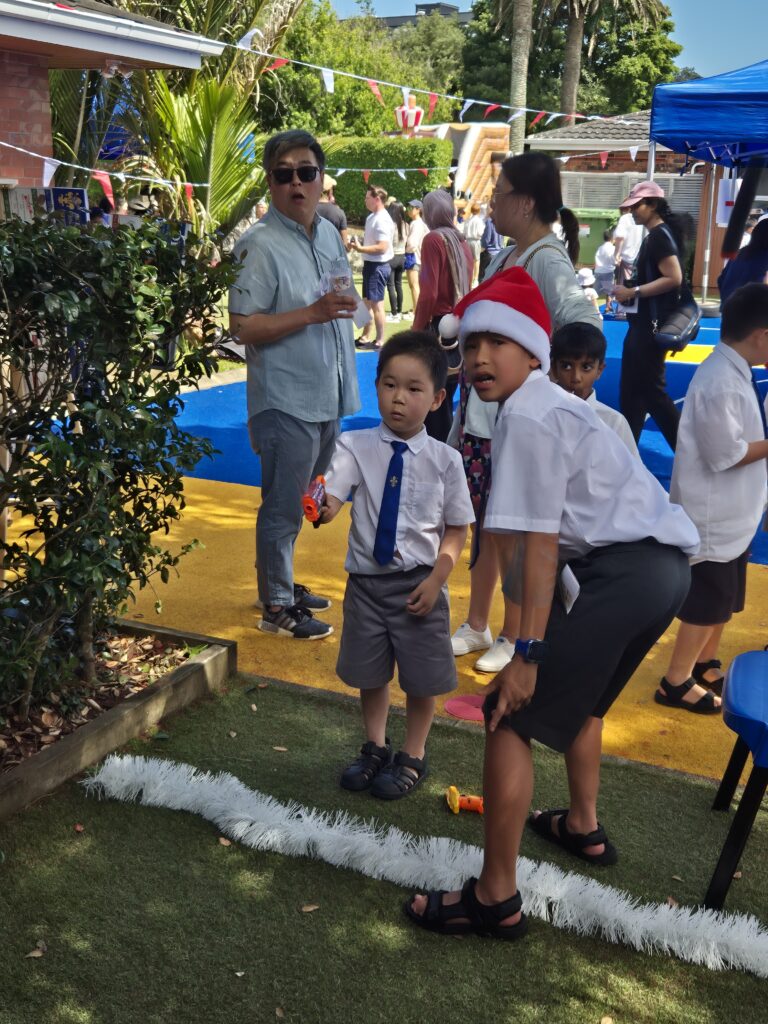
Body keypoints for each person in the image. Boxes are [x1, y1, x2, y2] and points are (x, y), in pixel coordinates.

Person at [405, 267, 698, 940]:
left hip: (621, 574)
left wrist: (528, 652)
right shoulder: (548, 406)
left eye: (495, 342)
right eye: (470, 342)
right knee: (584, 705)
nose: (478, 356)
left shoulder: (530, 414)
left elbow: (539, 548)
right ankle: (582, 827)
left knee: (508, 715)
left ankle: (495, 896)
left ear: (533, 352)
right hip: (658, 574)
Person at [450, 152, 601, 674]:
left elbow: (583, 324)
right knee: (485, 526)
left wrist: (554, 382)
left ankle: (516, 634)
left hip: (512, 429)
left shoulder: (546, 259)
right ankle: (477, 621)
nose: (491, 203)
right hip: (481, 422)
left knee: (513, 532)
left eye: (499, 193)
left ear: (526, 202)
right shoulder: (506, 255)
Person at [319, 331, 474, 799]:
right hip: (366, 586)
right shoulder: (355, 444)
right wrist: (321, 505)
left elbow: (456, 529)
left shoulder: (446, 461)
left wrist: (438, 578)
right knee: (370, 673)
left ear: (436, 398)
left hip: (418, 586)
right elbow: (333, 491)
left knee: (423, 676)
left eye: (413, 389)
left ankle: (413, 753)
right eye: (388, 385)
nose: (398, 399)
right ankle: (374, 745)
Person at [228, 129, 360, 640]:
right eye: (284, 175)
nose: (297, 183)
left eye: (307, 172)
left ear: (321, 179)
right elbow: (242, 326)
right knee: (282, 506)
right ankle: (277, 607)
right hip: (285, 400)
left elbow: (339, 299)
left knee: (303, 498)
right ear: (270, 182)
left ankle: (279, 583)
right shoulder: (257, 246)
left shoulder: (326, 233)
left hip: (327, 393)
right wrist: (311, 313)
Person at [658, 283, 768, 713]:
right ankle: (675, 679)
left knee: (725, 597)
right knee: (707, 601)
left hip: (733, 514)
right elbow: (728, 454)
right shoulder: (721, 380)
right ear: (761, 335)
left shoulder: (733, 369)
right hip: (714, 515)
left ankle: (704, 660)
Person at [613, 181, 687, 451]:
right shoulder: (659, 235)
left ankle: (684, 451)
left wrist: (635, 292)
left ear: (653, 205)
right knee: (635, 392)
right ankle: (627, 450)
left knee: (648, 392)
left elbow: (673, 277)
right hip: (646, 324)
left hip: (648, 327)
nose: (632, 211)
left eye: (637, 205)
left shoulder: (658, 236)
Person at [413, 190, 474, 442]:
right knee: (446, 397)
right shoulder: (463, 242)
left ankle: (438, 459)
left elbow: (429, 293)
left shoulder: (433, 240)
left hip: (438, 328)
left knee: (434, 403)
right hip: (460, 325)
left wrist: (414, 332)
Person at [549, 322, 639, 457]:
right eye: (566, 366)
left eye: (586, 367)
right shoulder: (541, 416)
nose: (576, 377)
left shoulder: (613, 422)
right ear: (554, 368)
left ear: (599, 370)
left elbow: (633, 473)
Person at [351, 185, 394, 350]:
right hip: (371, 265)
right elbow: (373, 244)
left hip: (378, 266)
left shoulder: (382, 219)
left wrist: (360, 249)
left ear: (377, 199)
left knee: (377, 305)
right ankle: (365, 336)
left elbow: (382, 247)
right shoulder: (372, 217)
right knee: (367, 303)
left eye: (367, 197)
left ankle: (380, 340)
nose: (365, 200)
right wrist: (359, 245)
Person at [717, 219, 768, 304]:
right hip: (755, 311)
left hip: (729, 308)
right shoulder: (765, 257)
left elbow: (721, 279)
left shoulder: (739, 253)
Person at [404, 199, 428, 317]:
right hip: (418, 257)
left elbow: (412, 243)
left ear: (418, 210)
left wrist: (405, 250)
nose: (409, 210)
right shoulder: (419, 223)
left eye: (412, 208)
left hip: (413, 256)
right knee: (416, 285)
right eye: (408, 208)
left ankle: (416, 311)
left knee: (414, 285)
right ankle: (416, 308)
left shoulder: (416, 224)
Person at [385, 198, 408, 323]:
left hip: (392, 256)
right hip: (402, 257)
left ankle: (394, 313)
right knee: (399, 285)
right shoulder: (406, 225)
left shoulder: (390, 226)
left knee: (391, 286)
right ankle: (399, 311)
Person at [317, 173, 349, 249]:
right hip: (331, 257)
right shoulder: (339, 212)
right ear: (330, 191)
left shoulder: (305, 210)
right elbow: (344, 245)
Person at [613, 207, 644, 284]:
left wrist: (617, 255)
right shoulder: (644, 218)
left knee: (625, 287)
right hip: (641, 259)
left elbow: (620, 237)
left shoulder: (625, 218)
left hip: (627, 260)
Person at [463, 201, 486, 286]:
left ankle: (470, 277)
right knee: (476, 259)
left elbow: (464, 232)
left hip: (468, 240)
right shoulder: (479, 221)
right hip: (476, 240)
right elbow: (480, 232)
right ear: (479, 211)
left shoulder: (468, 220)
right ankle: (475, 279)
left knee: (469, 259)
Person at [479, 212, 503, 282]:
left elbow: (486, 239)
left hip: (489, 253)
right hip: (499, 253)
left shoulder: (489, 221)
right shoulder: (502, 220)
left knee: (483, 279)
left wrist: (482, 246)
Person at [594, 228, 616, 299]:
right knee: (610, 292)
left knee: (595, 292)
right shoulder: (612, 248)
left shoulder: (600, 248)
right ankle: (608, 306)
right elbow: (614, 261)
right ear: (612, 238)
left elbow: (597, 258)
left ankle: (591, 304)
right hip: (608, 272)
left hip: (598, 271)